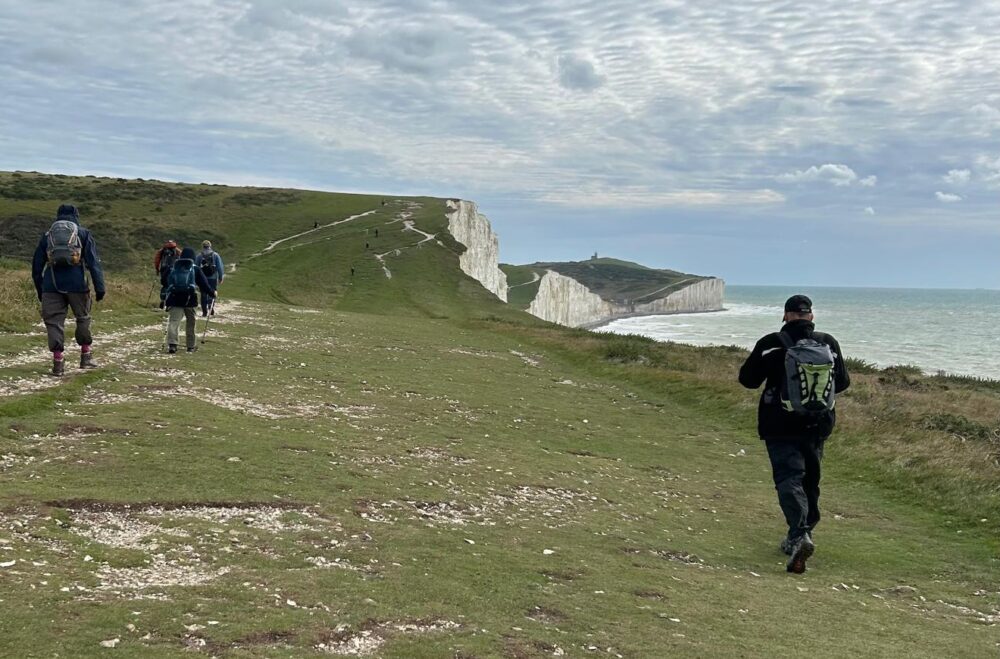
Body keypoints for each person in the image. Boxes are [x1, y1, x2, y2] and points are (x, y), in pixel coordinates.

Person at [738, 295, 850, 574]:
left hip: (779, 423)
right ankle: (800, 533)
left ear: (786, 315)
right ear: (811, 316)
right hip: (819, 423)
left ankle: (799, 535)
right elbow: (843, 383)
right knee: (810, 479)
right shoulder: (828, 343)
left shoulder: (770, 343)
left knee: (788, 477)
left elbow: (748, 381)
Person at [31, 204, 106, 376]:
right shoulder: (83, 234)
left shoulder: (48, 235)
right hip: (77, 284)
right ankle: (85, 356)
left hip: (52, 284)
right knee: (83, 318)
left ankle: (58, 363)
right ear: (76, 216)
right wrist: (99, 287)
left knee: (54, 322)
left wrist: (40, 289)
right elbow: (94, 264)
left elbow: (36, 266)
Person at [163, 247, 214, 354]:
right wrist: (212, 293)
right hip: (190, 300)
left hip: (174, 298)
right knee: (191, 322)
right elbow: (203, 284)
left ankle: (172, 345)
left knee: (174, 321)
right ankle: (190, 346)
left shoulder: (173, 267)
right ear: (193, 258)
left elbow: (163, 280)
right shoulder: (195, 268)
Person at [194, 240, 224, 316]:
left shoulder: (199, 256)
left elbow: (196, 267)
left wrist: (195, 279)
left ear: (202, 246)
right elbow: (220, 267)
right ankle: (211, 308)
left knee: (203, 293)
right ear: (210, 246)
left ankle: (204, 312)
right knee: (212, 292)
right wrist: (221, 277)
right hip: (213, 277)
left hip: (202, 278)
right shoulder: (215, 255)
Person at [154, 240, 181, 309]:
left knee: (165, 285)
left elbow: (157, 260)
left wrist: (157, 269)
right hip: (174, 270)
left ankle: (163, 299)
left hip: (164, 270)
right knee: (172, 285)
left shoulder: (162, 250)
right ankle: (170, 302)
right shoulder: (177, 251)